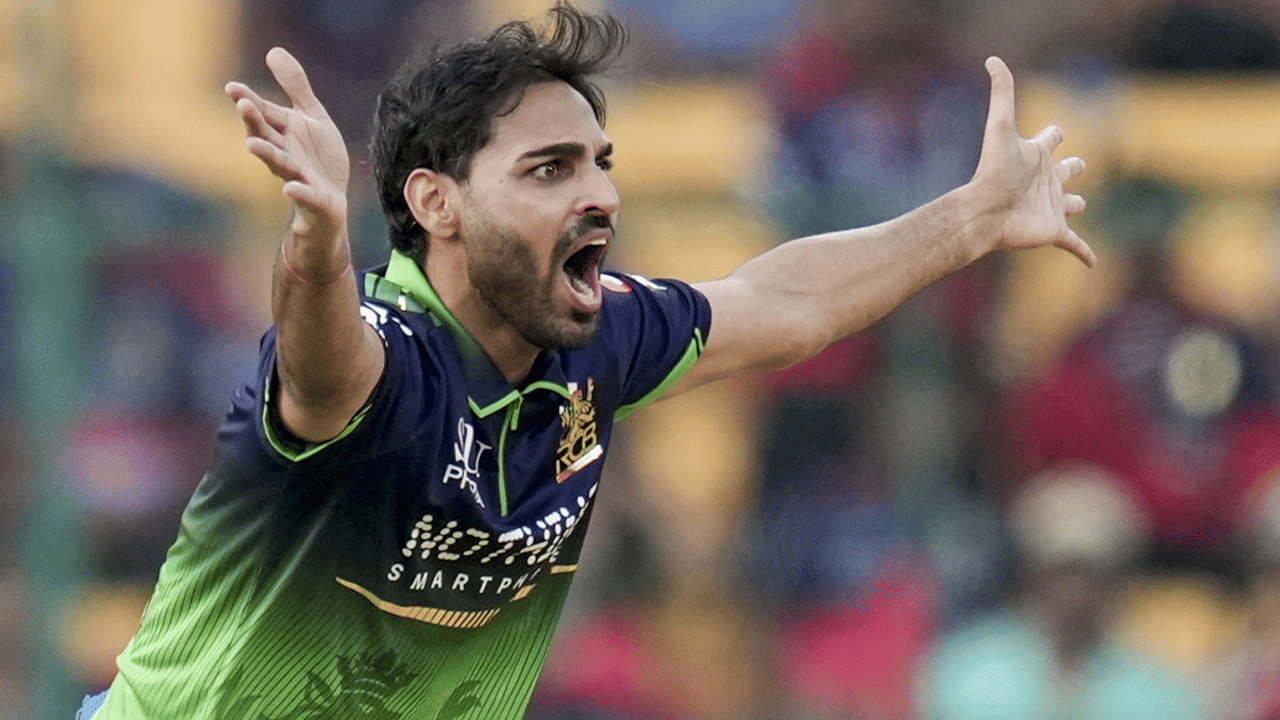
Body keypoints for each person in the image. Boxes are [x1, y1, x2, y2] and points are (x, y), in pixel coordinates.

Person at [81, 3, 1093, 718]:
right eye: (549, 170)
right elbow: (320, 362)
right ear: (436, 203)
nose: (599, 196)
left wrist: (968, 222)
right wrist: (315, 248)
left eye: (599, 165)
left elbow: (787, 303)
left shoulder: (599, 337)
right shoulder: (385, 357)